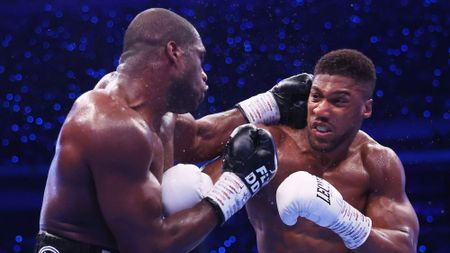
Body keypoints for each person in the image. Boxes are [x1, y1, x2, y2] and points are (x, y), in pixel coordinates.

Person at [35, 8, 284, 253]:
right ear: (174, 52)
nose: (205, 75)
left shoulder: (155, 110)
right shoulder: (112, 125)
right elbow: (149, 246)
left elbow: (198, 138)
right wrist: (236, 186)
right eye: (200, 59)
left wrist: (272, 104)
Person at [166, 49, 420, 252]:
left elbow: (403, 245)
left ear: (366, 109)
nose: (321, 109)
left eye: (338, 100)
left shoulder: (376, 162)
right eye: (316, 97)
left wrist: (344, 220)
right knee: (182, 188)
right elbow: (191, 157)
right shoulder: (268, 144)